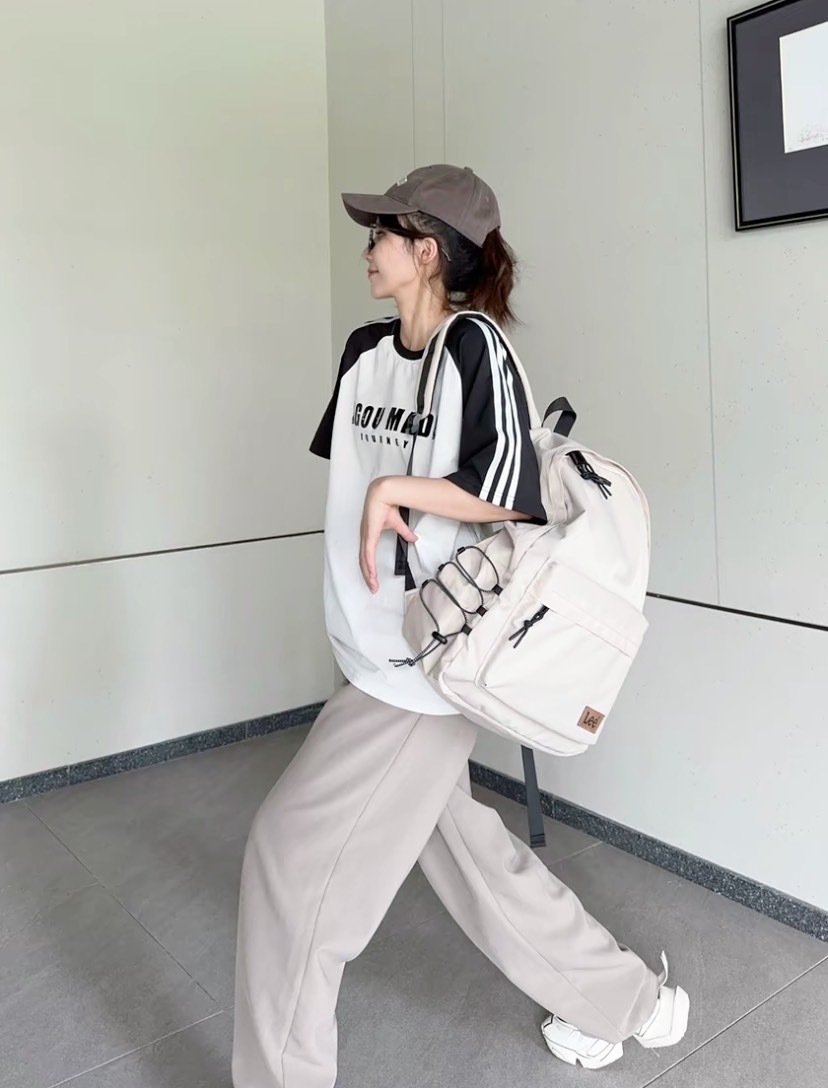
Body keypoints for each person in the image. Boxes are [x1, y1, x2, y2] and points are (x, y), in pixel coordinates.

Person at [232, 164, 689, 1088]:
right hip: (367, 652)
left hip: (424, 669)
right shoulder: (365, 351)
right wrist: (378, 500)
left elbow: (511, 491)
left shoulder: (477, 347)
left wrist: (397, 490)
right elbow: (350, 474)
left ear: (429, 250)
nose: (369, 248)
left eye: (384, 233)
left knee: (290, 866)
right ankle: (631, 1004)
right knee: (468, 853)